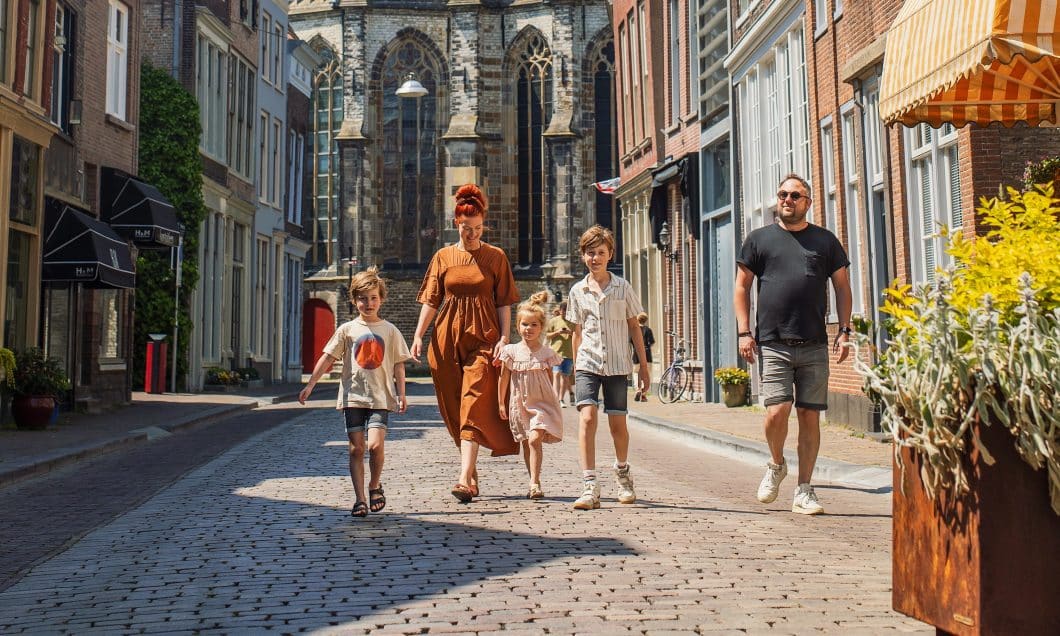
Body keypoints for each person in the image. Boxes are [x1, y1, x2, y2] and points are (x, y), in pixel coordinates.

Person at [734, 173, 852, 516]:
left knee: (809, 417)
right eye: (783, 194)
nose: (787, 199)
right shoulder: (759, 240)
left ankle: (805, 489)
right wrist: (745, 332)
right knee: (776, 412)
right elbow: (742, 287)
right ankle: (775, 463)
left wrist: (845, 330)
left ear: (808, 203)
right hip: (773, 342)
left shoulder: (825, 242)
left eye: (795, 195)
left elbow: (842, 287)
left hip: (815, 342)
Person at [411, 183, 521, 503]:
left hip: (484, 338)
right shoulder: (443, 257)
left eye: (477, 228)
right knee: (455, 408)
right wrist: (418, 335)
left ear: (483, 225)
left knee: (473, 401)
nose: (472, 234)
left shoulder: (495, 257)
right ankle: (471, 474)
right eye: (465, 228)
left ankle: (461, 478)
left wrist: (504, 338)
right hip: (447, 338)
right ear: (455, 224)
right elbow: (431, 300)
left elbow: (504, 302)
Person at [299, 267, 411, 518]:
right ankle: (360, 499)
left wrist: (402, 393)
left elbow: (398, 364)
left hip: (381, 397)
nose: (368, 303)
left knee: (375, 445)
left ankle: (375, 485)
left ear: (381, 299)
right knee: (356, 449)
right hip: (354, 397)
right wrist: (310, 385)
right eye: (362, 298)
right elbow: (328, 357)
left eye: (373, 298)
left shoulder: (390, 330)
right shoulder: (347, 329)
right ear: (354, 300)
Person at [566, 225, 651, 510]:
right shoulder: (577, 291)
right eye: (590, 253)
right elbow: (577, 332)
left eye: (600, 253)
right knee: (587, 418)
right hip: (588, 363)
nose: (595, 258)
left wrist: (643, 366)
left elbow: (634, 328)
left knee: (618, 425)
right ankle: (589, 484)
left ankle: (623, 473)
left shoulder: (622, 287)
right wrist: (576, 367)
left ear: (610, 254)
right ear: (583, 256)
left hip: (617, 364)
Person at [497, 291, 565, 500]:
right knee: (528, 442)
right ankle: (533, 481)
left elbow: (548, 376)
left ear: (541, 327)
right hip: (520, 402)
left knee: (535, 438)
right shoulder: (511, 351)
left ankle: (535, 482)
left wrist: (554, 399)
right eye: (525, 324)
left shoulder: (546, 353)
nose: (529, 329)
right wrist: (501, 402)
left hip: (542, 402)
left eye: (534, 325)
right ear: (518, 326)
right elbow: (503, 377)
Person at [545, 301, 575, 407]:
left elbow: (578, 336)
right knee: (556, 374)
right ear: (560, 310)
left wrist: (570, 333)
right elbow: (547, 335)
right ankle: (556, 398)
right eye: (563, 311)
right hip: (555, 352)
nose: (565, 313)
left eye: (567, 311)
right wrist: (557, 332)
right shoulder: (553, 321)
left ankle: (561, 399)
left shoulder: (573, 322)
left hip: (569, 353)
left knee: (564, 376)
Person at [631, 312, 655, 401]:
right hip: (647, 355)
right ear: (646, 320)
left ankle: (638, 389)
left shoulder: (634, 330)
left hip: (636, 354)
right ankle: (644, 394)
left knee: (636, 372)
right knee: (647, 374)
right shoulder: (648, 330)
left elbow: (631, 341)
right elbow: (651, 342)